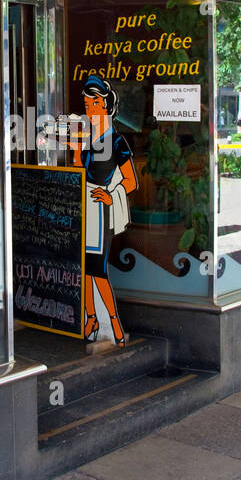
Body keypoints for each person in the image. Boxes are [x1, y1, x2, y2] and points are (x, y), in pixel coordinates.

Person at [68, 74, 137, 346]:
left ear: (106, 106)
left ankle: (113, 321)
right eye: (87, 103)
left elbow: (130, 181)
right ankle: (91, 317)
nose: (89, 107)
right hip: (84, 205)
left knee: (97, 268)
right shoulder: (87, 140)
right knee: (85, 266)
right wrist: (75, 150)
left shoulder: (117, 142)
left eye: (93, 103)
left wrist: (110, 194)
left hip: (101, 209)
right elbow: (79, 173)